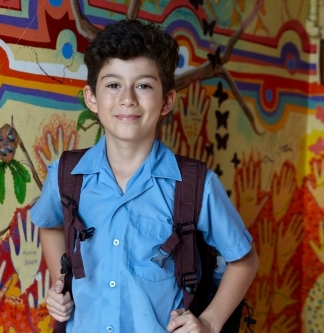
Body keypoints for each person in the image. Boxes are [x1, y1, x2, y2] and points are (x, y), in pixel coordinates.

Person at [31, 19, 259, 333]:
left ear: (166, 101)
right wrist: (62, 284)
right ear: (91, 98)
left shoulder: (195, 185)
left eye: (144, 85)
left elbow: (244, 261)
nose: (128, 98)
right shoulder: (67, 175)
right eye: (113, 84)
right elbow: (50, 224)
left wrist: (210, 321)